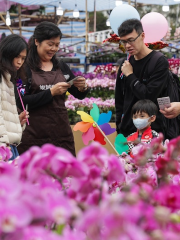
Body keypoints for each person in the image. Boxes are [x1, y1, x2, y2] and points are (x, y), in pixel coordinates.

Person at [16, 21, 89, 156]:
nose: (54, 49)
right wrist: (50, 92)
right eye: (50, 44)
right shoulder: (25, 68)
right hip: (33, 136)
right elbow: (20, 99)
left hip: (60, 133)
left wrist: (82, 87)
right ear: (37, 41)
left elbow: (78, 95)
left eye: (57, 45)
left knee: (63, 173)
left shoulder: (61, 66)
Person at [115, 19, 169, 138]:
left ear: (142, 36)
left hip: (152, 132)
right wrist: (119, 125)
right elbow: (119, 98)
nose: (127, 46)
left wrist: (130, 75)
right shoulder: (126, 65)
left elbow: (148, 95)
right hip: (127, 130)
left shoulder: (158, 62)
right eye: (123, 42)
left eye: (131, 40)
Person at [0, 34, 29, 160]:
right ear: (7, 53)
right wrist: (2, 145)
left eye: (23, 58)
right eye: (17, 56)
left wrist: (18, 121)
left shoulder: (9, 79)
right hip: (4, 148)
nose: (19, 62)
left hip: (11, 146)